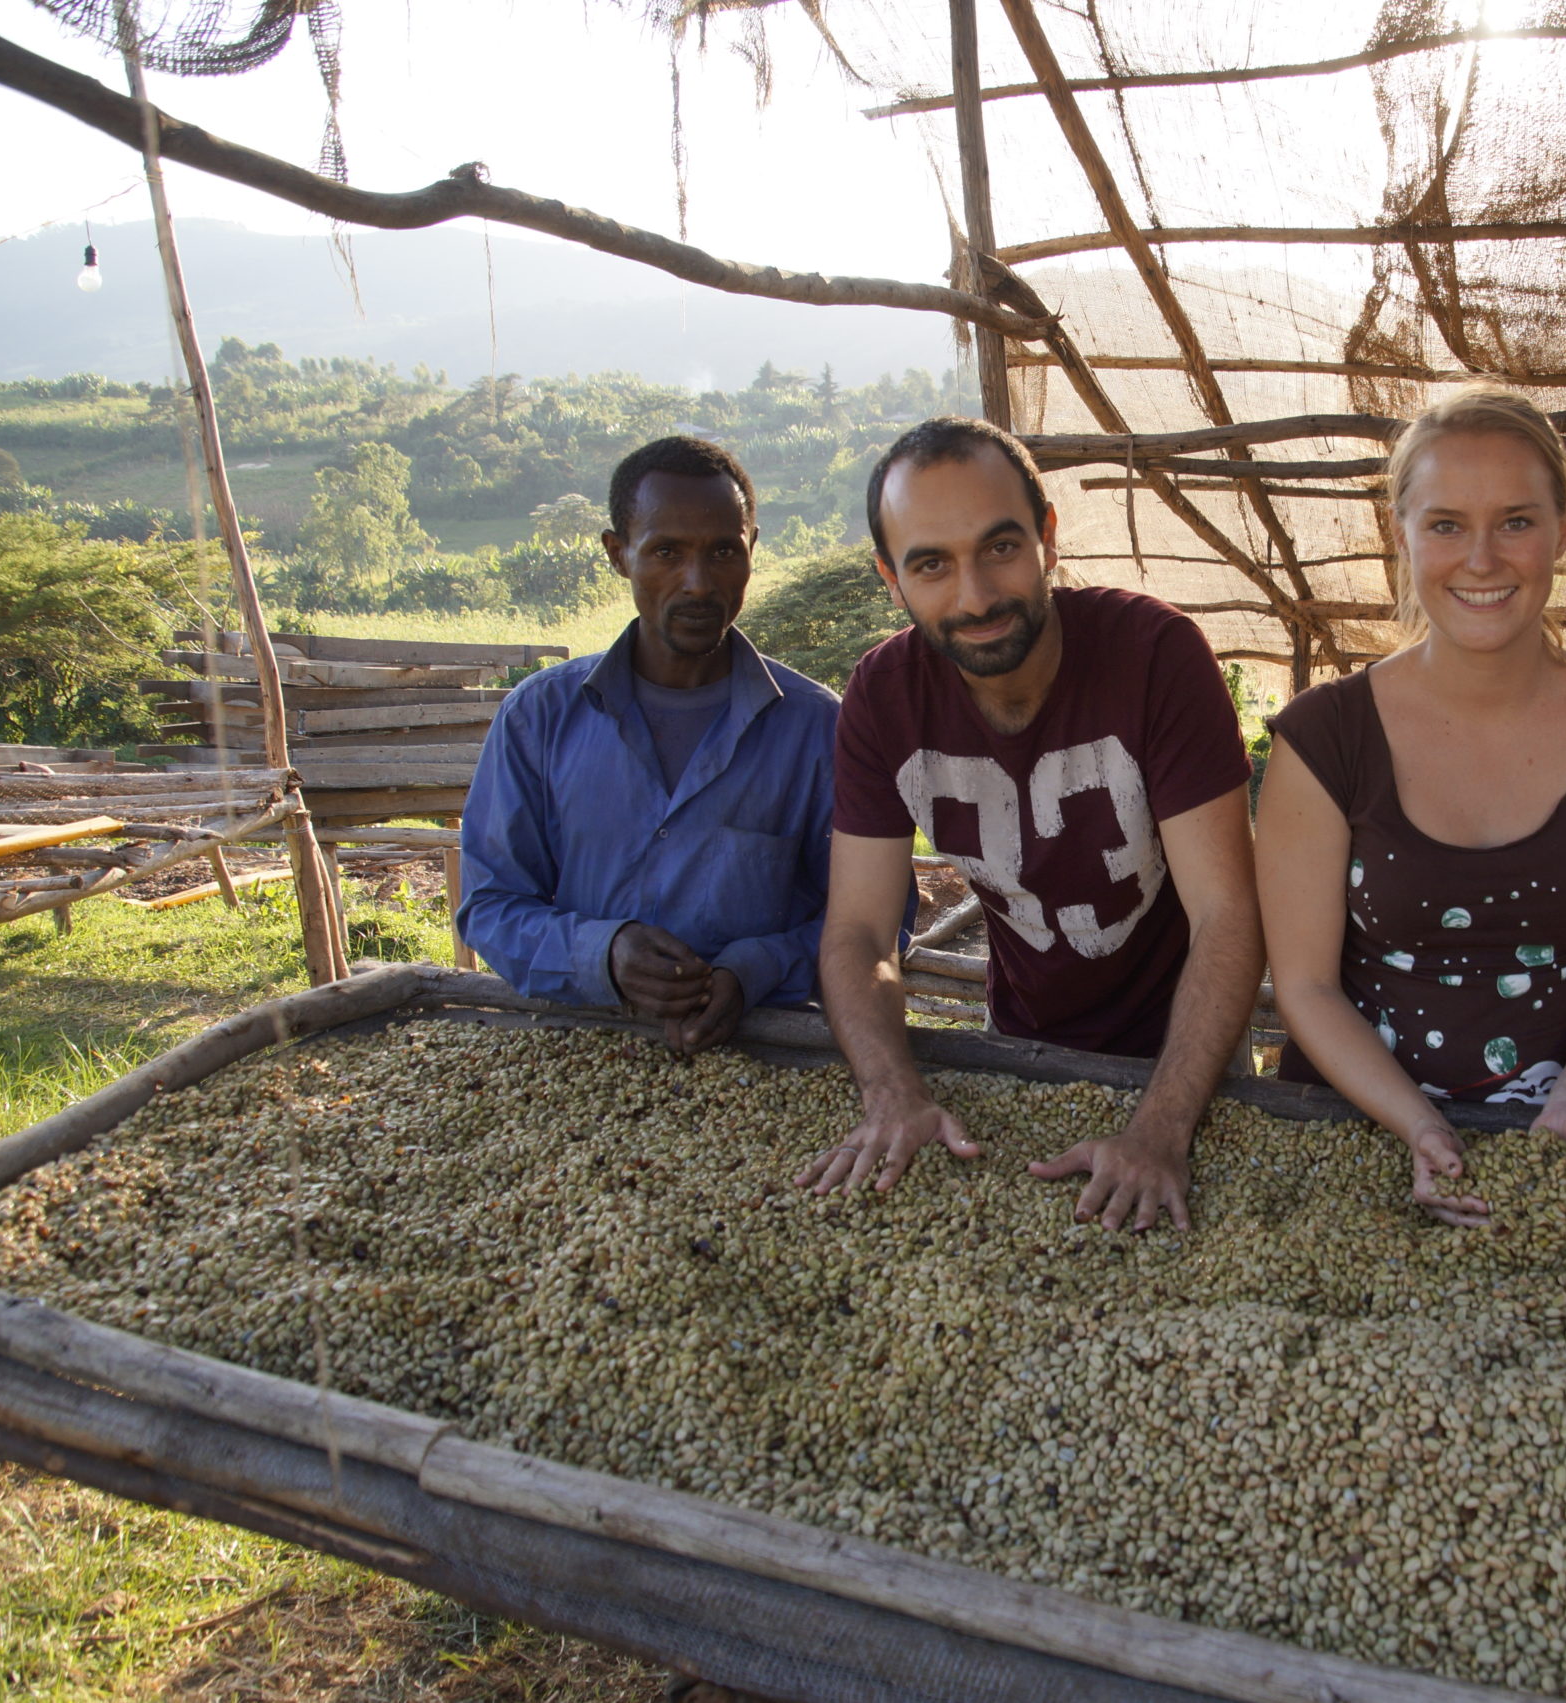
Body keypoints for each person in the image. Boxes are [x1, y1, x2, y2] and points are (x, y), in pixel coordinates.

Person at [1256, 388, 1566, 1227]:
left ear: (1565, 527)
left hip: (1551, 1140)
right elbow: (1308, 985)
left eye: (1516, 521)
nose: (1482, 559)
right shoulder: (1326, 739)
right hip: (1349, 1144)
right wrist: (1420, 1125)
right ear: (1401, 533)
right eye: (1445, 525)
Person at [801, 416, 1262, 1230]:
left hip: (1187, 1065)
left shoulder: (1156, 656)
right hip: (1017, 1044)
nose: (974, 595)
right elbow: (861, 932)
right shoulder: (882, 696)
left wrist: (1160, 1127)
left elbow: (1229, 914)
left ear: (1048, 538)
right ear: (890, 578)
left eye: (1000, 548)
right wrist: (893, 1091)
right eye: (932, 565)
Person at [458, 435, 841, 1054]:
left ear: (752, 551)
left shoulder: (817, 730)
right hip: (576, 1057)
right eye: (666, 551)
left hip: (766, 1065)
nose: (697, 583)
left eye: (723, 551)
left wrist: (754, 969)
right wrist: (604, 954)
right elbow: (490, 907)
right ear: (618, 554)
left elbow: (872, 920)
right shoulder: (539, 718)